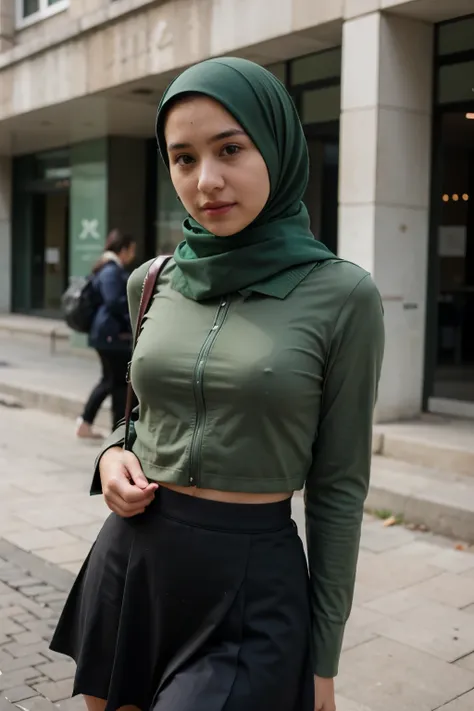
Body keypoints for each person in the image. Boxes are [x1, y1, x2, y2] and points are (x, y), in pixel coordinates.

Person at [51, 58, 385, 711]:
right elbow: (146, 417)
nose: (206, 181)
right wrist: (112, 452)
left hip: (253, 578)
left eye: (230, 148)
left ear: (279, 145)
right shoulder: (154, 279)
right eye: (182, 158)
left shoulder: (343, 295)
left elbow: (340, 487)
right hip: (134, 558)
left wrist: (323, 660)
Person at [76, 230, 136, 439]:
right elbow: (114, 301)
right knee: (118, 383)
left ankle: (87, 423)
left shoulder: (107, 268)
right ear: (123, 249)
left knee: (111, 381)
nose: (133, 255)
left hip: (107, 335)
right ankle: (115, 431)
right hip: (110, 336)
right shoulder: (111, 271)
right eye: (132, 250)